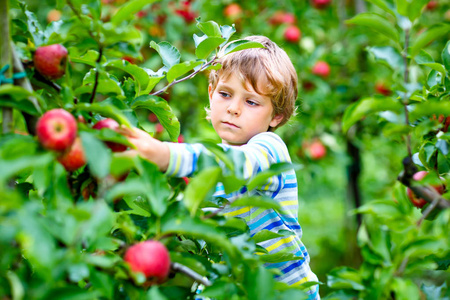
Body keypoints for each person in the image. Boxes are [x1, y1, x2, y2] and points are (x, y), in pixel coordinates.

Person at [122, 35, 320, 299]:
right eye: (225, 94)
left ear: (277, 116)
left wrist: (164, 154)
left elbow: (237, 165)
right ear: (211, 93)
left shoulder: (270, 149)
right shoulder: (211, 166)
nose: (234, 109)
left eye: (251, 102)